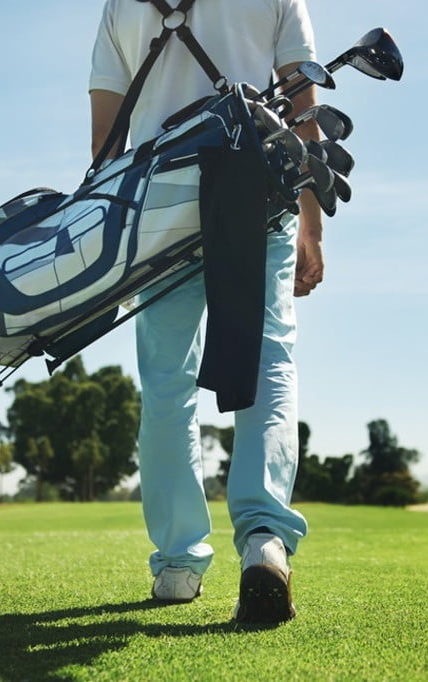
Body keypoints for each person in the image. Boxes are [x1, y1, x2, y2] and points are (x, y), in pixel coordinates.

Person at [89, 0, 323, 623]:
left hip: (154, 204)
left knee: (167, 381)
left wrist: (110, 252)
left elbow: (105, 141)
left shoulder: (122, 5)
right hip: (255, 186)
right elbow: (303, 108)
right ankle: (265, 542)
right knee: (268, 357)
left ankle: (177, 562)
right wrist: (313, 227)